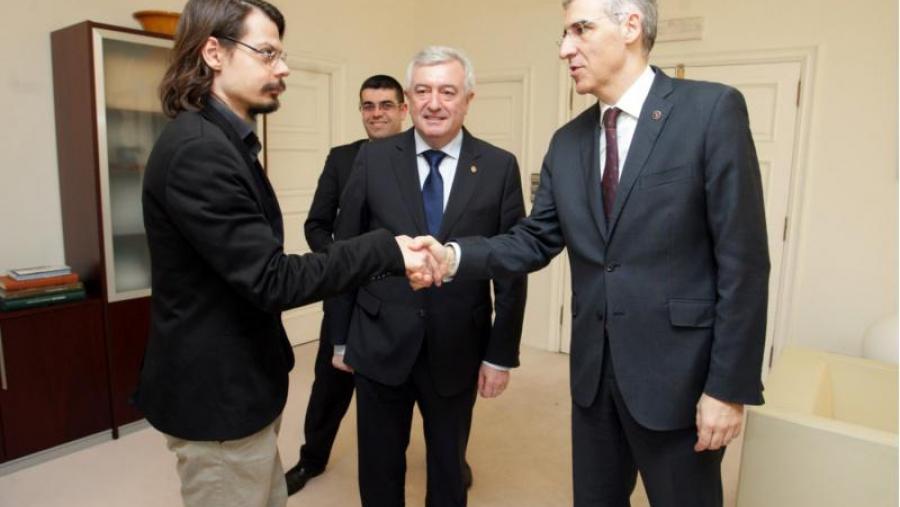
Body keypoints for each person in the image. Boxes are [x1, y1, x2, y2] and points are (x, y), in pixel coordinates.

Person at [413, 1, 770, 505]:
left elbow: (744, 262)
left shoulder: (710, 111)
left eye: (580, 30)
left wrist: (727, 388)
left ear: (630, 27)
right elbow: (535, 237)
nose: (565, 50)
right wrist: (452, 258)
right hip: (593, 376)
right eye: (563, 34)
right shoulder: (567, 142)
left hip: (680, 378)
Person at [135, 2, 431, 506]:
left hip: (242, 387)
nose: (283, 68)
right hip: (217, 398)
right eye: (267, 53)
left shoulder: (223, 140)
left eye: (281, 54)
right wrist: (386, 249)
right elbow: (273, 278)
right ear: (214, 52)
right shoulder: (200, 150)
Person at [328, 46, 527, 507]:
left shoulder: (499, 167)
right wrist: (340, 337)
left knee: (448, 468)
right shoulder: (373, 160)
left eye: (447, 91)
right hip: (378, 341)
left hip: (457, 345)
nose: (434, 102)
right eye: (422, 90)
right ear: (407, 102)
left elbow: (511, 266)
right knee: (379, 468)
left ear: (468, 99)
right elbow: (344, 253)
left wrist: (500, 355)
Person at [284, 74, 409, 495]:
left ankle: (451, 453)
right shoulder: (341, 158)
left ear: (402, 109)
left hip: (402, 296)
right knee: (329, 387)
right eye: (368, 106)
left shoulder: (419, 157)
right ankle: (310, 459)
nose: (377, 114)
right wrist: (341, 261)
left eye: (386, 105)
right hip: (347, 294)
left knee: (421, 385)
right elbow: (316, 223)